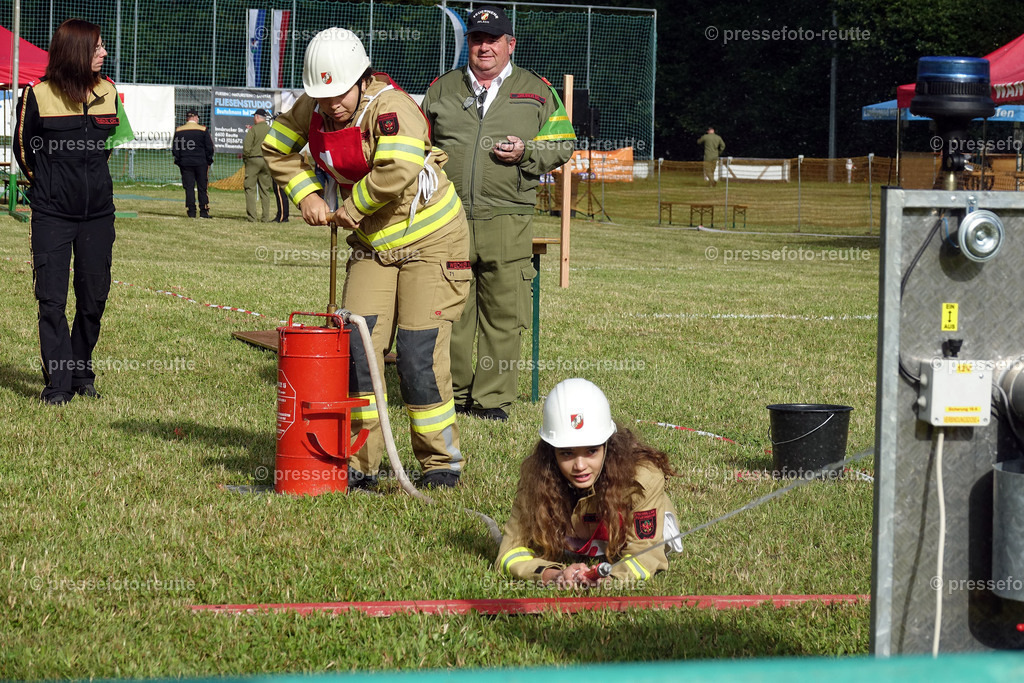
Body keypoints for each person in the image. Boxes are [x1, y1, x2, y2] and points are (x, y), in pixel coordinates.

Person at [263, 28, 471, 489]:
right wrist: (308, 197)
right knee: (358, 351)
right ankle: (360, 464)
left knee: (418, 355)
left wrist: (349, 208)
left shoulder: (391, 109)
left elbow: (396, 169)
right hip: (372, 246)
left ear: (362, 78)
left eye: (339, 93)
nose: (331, 104)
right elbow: (275, 149)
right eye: (321, 96)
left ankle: (440, 463)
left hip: (433, 243)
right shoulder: (312, 106)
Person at [423, 5, 576, 423]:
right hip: (447, 221)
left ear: (511, 45)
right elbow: (417, 142)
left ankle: (491, 401)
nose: (484, 46)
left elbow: (563, 143)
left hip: (509, 221)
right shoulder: (441, 89)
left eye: (493, 40)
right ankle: (452, 393)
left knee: (504, 316)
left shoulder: (537, 90)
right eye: (476, 39)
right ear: (468, 44)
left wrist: (527, 152)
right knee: (451, 311)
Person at [13, 19, 120, 406]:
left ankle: (80, 371)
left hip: (98, 216)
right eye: (97, 48)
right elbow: (24, 150)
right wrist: (48, 188)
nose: (104, 53)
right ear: (76, 52)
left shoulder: (110, 92)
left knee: (94, 297)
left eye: (103, 47)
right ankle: (58, 384)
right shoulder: (36, 95)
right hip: (52, 216)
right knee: (52, 300)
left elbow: (106, 148)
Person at [496, 378, 682, 586]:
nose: (580, 465)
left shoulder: (641, 479)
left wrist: (608, 579)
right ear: (551, 451)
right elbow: (510, 552)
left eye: (591, 451)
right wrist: (553, 575)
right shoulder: (538, 477)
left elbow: (646, 555)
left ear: (608, 445)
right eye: (567, 453)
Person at [172, 108, 215, 218]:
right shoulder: (203, 129)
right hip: (201, 163)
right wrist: (208, 160)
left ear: (187, 118)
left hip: (185, 163)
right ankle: (204, 211)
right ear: (196, 118)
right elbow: (209, 148)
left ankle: (191, 211)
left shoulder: (179, 130)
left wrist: (178, 161)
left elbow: (175, 149)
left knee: (189, 187)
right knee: (202, 187)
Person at [242, 108, 273, 222]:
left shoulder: (253, 130)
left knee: (250, 188)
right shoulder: (270, 130)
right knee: (265, 190)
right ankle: (265, 217)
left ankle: (252, 217)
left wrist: (247, 159)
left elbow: (246, 147)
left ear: (256, 117)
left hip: (253, 160)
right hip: (266, 161)